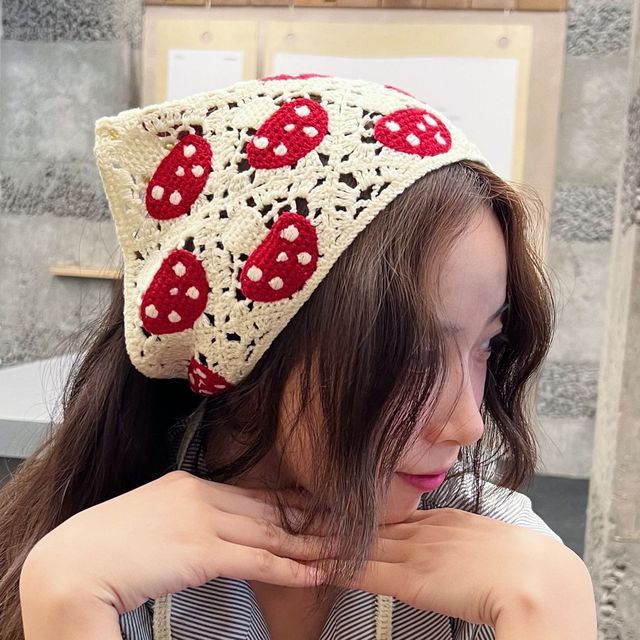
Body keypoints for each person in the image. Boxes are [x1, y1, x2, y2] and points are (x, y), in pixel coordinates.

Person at [1, 75, 596, 640]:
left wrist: (553, 611)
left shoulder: (512, 577)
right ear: (253, 345)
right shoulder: (101, 566)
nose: (467, 425)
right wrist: (66, 602)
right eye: (410, 356)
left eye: (486, 345)